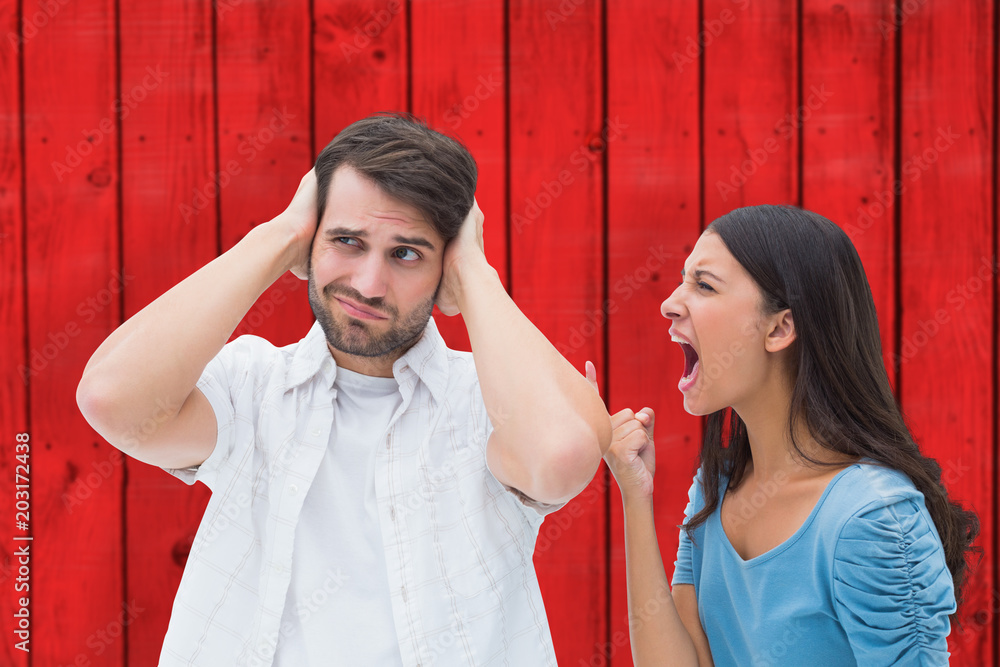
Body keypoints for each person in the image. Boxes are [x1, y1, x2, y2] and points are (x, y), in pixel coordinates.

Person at [76, 112, 611, 666]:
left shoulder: (489, 405)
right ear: (311, 240)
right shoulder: (252, 388)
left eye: (406, 253)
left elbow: (557, 459)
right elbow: (112, 401)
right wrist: (280, 235)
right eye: (347, 241)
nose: (368, 284)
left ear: (444, 266)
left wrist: (476, 274)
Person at [595, 205, 979, 666]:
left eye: (704, 285)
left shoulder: (872, 518)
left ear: (779, 328)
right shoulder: (715, 491)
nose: (670, 302)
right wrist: (635, 496)